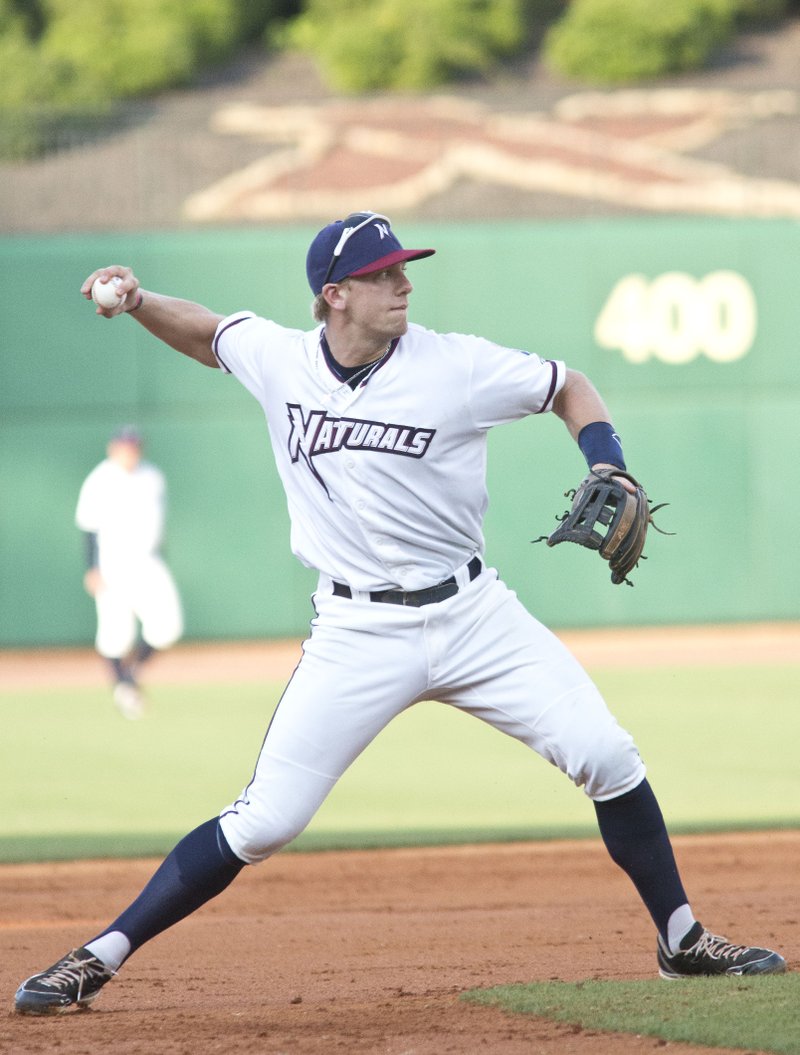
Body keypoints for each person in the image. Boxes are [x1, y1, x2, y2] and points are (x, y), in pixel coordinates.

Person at [14, 211, 784, 1015]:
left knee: (608, 754)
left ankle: (682, 937)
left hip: (476, 615)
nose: (403, 282)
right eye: (383, 274)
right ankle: (95, 956)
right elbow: (209, 335)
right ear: (335, 296)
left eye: (402, 268)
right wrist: (139, 301)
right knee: (265, 820)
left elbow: (568, 387)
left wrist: (610, 464)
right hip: (356, 631)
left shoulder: (458, 366)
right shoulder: (280, 358)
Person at [75, 426, 184, 719]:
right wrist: (92, 568)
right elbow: (88, 527)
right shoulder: (100, 479)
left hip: (149, 562)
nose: (130, 451)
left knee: (167, 628)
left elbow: (159, 527)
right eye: (124, 446)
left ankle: (130, 675)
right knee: (116, 635)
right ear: (113, 448)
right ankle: (123, 688)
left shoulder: (153, 476)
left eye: (134, 446)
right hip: (112, 564)